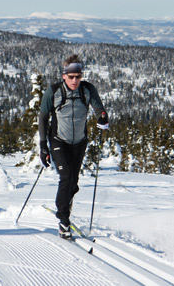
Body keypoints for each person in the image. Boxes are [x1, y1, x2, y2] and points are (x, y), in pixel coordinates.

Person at [38, 54, 109, 239]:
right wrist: (43, 146)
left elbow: (98, 108)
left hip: (79, 142)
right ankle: (63, 219)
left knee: (73, 183)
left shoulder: (87, 90)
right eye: (71, 77)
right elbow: (43, 117)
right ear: (64, 76)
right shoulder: (53, 91)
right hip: (58, 140)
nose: (75, 80)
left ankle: (66, 202)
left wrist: (102, 116)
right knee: (66, 176)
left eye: (78, 76)